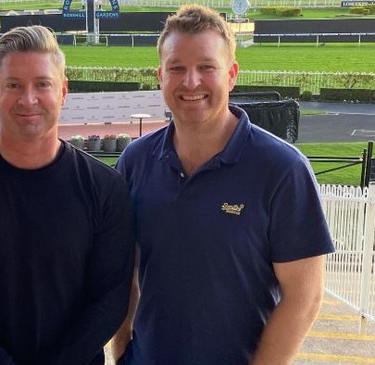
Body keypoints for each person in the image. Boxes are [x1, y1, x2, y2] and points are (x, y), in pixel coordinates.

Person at [112, 5, 335, 365]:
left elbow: (304, 297)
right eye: (177, 69)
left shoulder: (282, 168)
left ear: (231, 74)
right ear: (160, 76)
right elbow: (124, 272)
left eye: (206, 67)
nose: (191, 82)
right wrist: (121, 350)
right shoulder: (135, 161)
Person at [0, 25, 135, 365]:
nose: (28, 99)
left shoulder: (106, 187)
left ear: (63, 91)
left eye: (42, 84)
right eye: (13, 85)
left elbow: (109, 299)